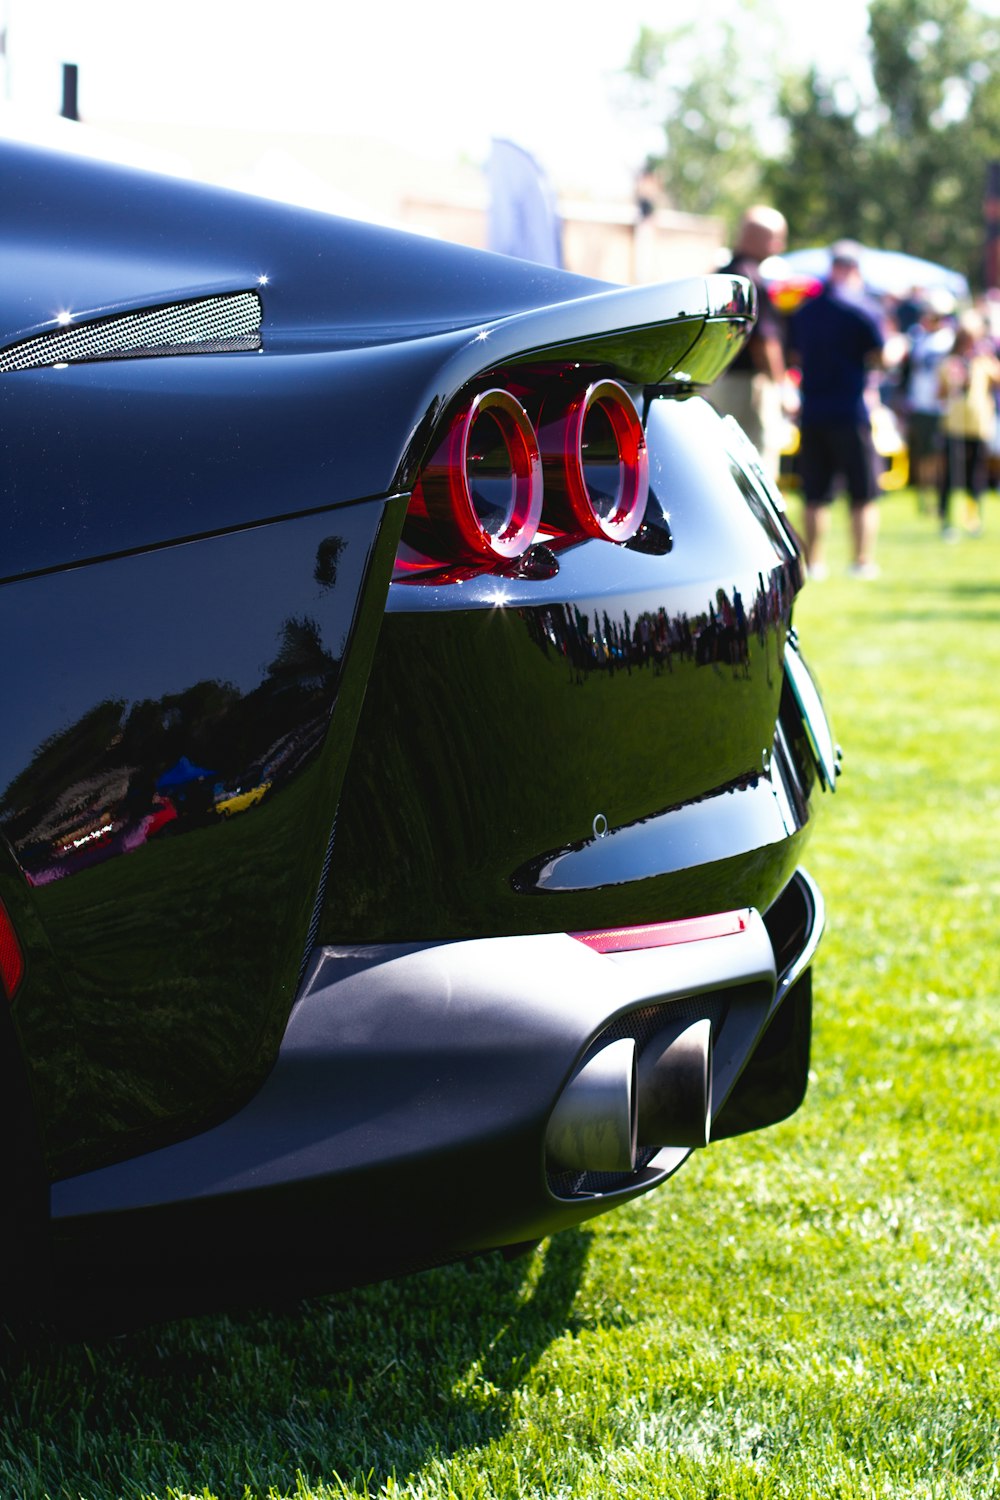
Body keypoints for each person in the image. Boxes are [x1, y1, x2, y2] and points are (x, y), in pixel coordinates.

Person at [789, 241, 886, 579]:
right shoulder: (863, 309)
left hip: (813, 410)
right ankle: (862, 561)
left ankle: (814, 563)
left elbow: (795, 356)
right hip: (850, 411)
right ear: (855, 269)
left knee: (815, 493)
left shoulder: (806, 310)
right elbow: (882, 355)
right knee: (863, 492)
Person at [711, 205, 789, 484]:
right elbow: (764, 341)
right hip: (747, 384)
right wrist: (782, 386)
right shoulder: (751, 279)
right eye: (778, 237)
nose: (781, 244)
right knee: (758, 465)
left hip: (716, 380)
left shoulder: (722, 273)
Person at [937, 311, 1000, 538]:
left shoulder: (984, 362)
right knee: (950, 475)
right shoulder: (950, 363)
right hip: (955, 425)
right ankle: (947, 519)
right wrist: (954, 381)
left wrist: (988, 356)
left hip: (978, 424)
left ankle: (973, 519)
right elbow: (941, 393)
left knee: (976, 475)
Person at [900, 290, 955, 512]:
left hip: (940, 405)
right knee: (922, 451)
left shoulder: (948, 340)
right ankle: (924, 495)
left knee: (938, 453)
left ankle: (937, 494)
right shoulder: (918, 337)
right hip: (920, 403)